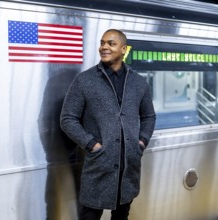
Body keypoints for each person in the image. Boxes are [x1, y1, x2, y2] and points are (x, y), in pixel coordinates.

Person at [60, 29, 156, 220]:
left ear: (123, 49)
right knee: (89, 215)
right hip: (98, 165)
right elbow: (67, 119)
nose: (104, 47)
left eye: (111, 43)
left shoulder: (138, 82)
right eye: (102, 43)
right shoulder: (84, 80)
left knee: (122, 216)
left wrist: (141, 142)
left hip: (128, 169)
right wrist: (91, 145)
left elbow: (149, 117)